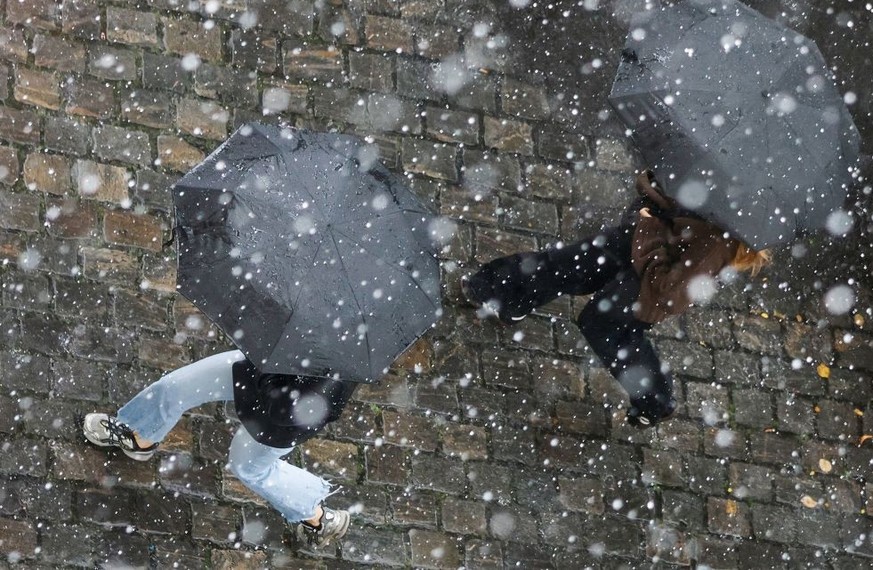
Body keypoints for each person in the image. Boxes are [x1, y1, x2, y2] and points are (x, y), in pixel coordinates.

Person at [461, 170, 770, 427]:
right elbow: (668, 199)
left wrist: (648, 225)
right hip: (642, 241)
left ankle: (655, 402)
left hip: (648, 285)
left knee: (607, 330)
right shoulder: (712, 175)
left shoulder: (717, 244)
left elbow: (665, 288)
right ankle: (503, 295)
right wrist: (650, 202)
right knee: (568, 265)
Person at [82, 350, 357, 547]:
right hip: (253, 368)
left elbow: (285, 411)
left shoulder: (342, 366)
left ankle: (319, 518)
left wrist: (268, 369)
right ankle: (139, 436)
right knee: (173, 388)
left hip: (272, 423)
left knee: (250, 470)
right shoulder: (316, 309)